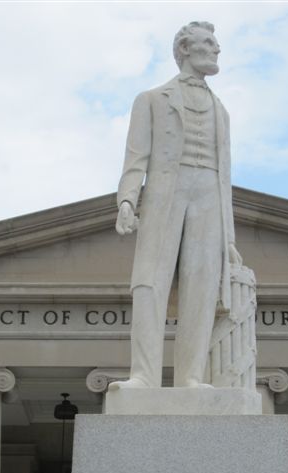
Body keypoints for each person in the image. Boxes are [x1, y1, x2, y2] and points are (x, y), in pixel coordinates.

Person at [112, 21, 242, 390]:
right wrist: (127, 199)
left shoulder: (222, 110)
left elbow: (225, 177)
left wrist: (228, 238)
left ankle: (191, 377)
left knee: (201, 285)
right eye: (209, 42)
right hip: (166, 190)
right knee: (150, 281)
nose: (217, 49)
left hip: (209, 196)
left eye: (217, 43)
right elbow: (135, 158)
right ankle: (144, 375)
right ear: (185, 50)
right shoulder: (152, 99)